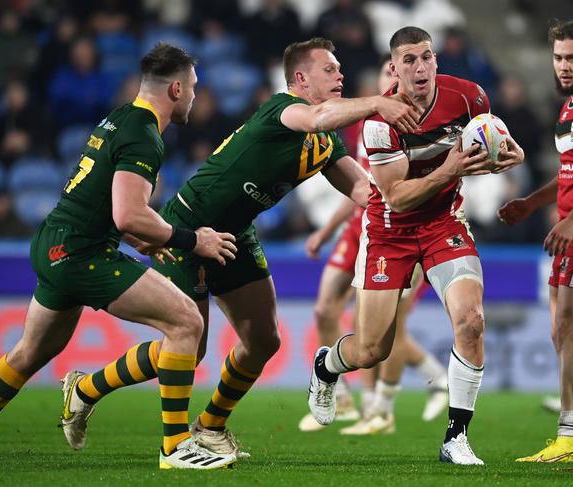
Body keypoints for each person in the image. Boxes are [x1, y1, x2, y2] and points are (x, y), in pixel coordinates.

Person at [59, 37, 420, 458]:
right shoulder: (282, 109)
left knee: (265, 339)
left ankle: (210, 427)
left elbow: (362, 187)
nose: (340, 75)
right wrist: (379, 102)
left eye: (339, 69)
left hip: (234, 234)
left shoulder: (325, 140)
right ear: (300, 79)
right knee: (189, 349)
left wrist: (416, 201)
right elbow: (319, 116)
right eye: (330, 69)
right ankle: (85, 390)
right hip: (190, 224)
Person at [0, 43, 238, 470]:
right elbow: (128, 212)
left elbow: (110, 207)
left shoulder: (118, 118)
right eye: (191, 87)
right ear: (175, 89)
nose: (193, 95)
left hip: (55, 241)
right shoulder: (145, 136)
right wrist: (192, 240)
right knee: (187, 322)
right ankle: (175, 448)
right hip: (81, 253)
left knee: (29, 352)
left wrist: (140, 235)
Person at [307, 26, 524, 465]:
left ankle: (455, 438)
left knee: (471, 320)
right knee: (372, 350)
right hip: (390, 232)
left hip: (445, 223)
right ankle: (326, 366)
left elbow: (510, 151)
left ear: (436, 61)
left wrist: (502, 157)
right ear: (394, 67)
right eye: (408, 59)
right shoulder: (378, 123)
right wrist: (451, 168)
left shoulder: (469, 98)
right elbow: (396, 196)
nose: (419, 66)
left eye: (425, 56)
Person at [298, 56, 448, 434]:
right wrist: (326, 231)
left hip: (409, 228)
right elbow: (359, 187)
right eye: (388, 73)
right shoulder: (372, 123)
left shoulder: (430, 123)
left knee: (385, 328)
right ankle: (350, 397)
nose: (394, 80)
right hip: (364, 227)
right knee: (326, 312)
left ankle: (380, 409)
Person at [499, 19, 573, 463]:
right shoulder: (567, 111)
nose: (564, 66)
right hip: (564, 233)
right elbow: (568, 176)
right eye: (560, 58)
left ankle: (568, 436)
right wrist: (531, 203)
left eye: (571, 59)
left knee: (566, 327)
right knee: (560, 331)